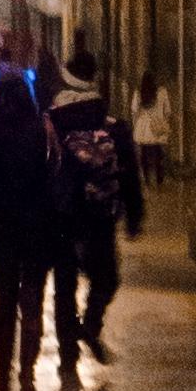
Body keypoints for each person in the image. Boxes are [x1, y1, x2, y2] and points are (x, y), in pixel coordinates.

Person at [47, 39, 146, 372]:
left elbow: (41, 169)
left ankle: (67, 354)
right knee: (106, 279)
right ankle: (90, 325)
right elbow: (129, 172)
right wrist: (134, 214)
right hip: (100, 215)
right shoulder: (112, 124)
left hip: (61, 217)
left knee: (64, 285)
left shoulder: (52, 122)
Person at [0, 56, 59, 391]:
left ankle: (4, 376)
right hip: (37, 228)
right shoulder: (40, 132)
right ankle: (28, 377)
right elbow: (54, 175)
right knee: (32, 302)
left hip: (0, 228)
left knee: (4, 301)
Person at [133, 68, 173, 195]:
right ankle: (159, 181)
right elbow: (168, 111)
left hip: (143, 128)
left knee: (144, 155)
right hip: (157, 128)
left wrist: (136, 123)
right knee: (158, 154)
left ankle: (147, 182)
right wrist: (163, 121)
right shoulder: (162, 92)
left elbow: (134, 110)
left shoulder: (138, 93)